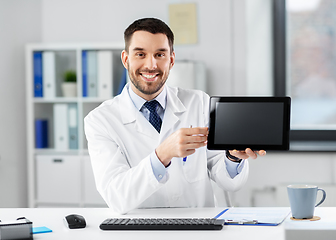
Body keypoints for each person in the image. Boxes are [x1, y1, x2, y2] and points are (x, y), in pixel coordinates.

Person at [84, 18, 266, 214]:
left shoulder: (199, 103)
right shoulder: (100, 120)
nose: (151, 65)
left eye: (159, 54)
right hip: (141, 230)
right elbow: (117, 196)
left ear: (171, 60)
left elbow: (227, 179)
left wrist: (232, 158)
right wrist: (162, 154)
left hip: (199, 227)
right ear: (126, 59)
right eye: (140, 54)